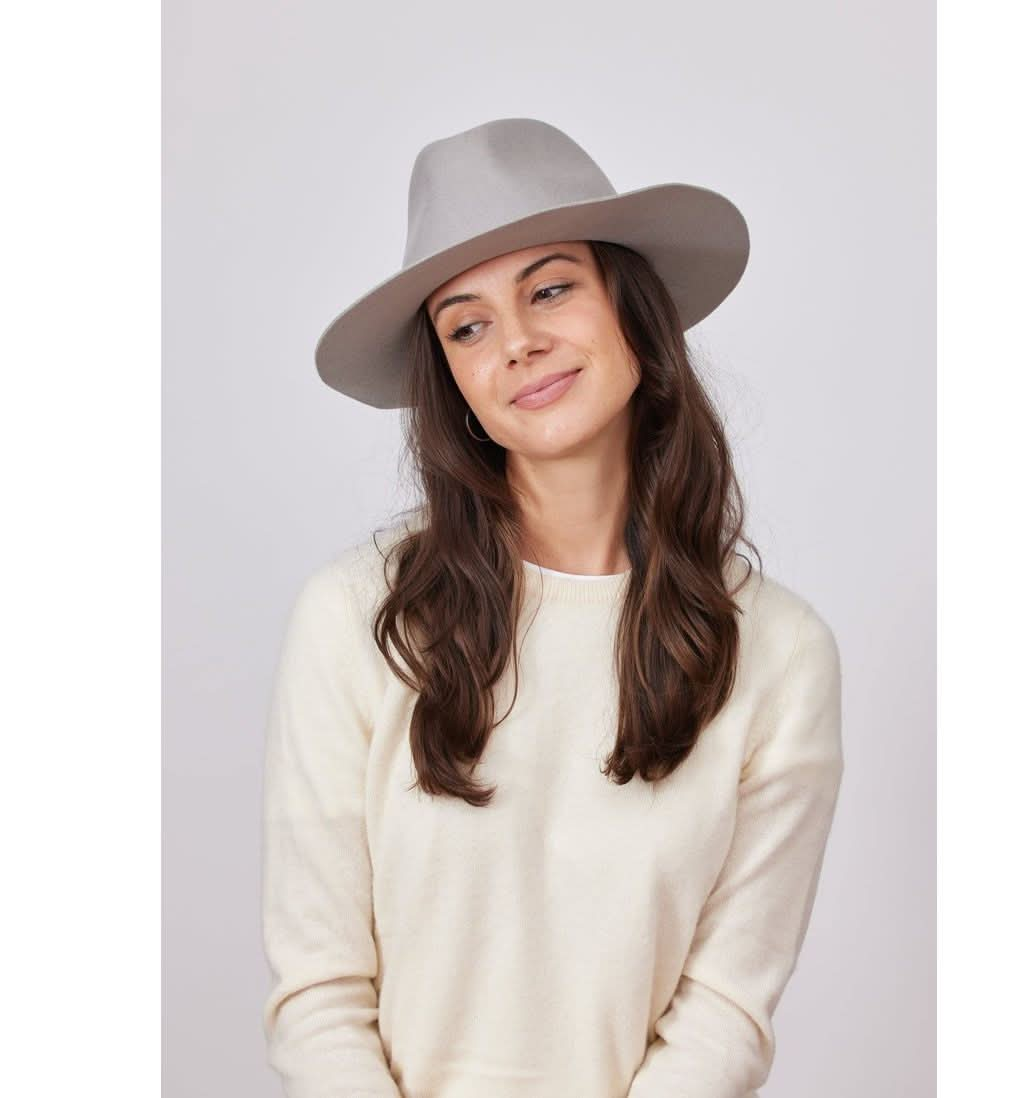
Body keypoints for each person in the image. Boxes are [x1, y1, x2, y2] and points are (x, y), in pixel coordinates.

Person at [260, 117, 845, 1098]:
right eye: (468, 324)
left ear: (632, 309)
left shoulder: (780, 654)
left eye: (551, 287)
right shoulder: (356, 620)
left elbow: (726, 1010)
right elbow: (319, 994)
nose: (520, 342)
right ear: (449, 377)